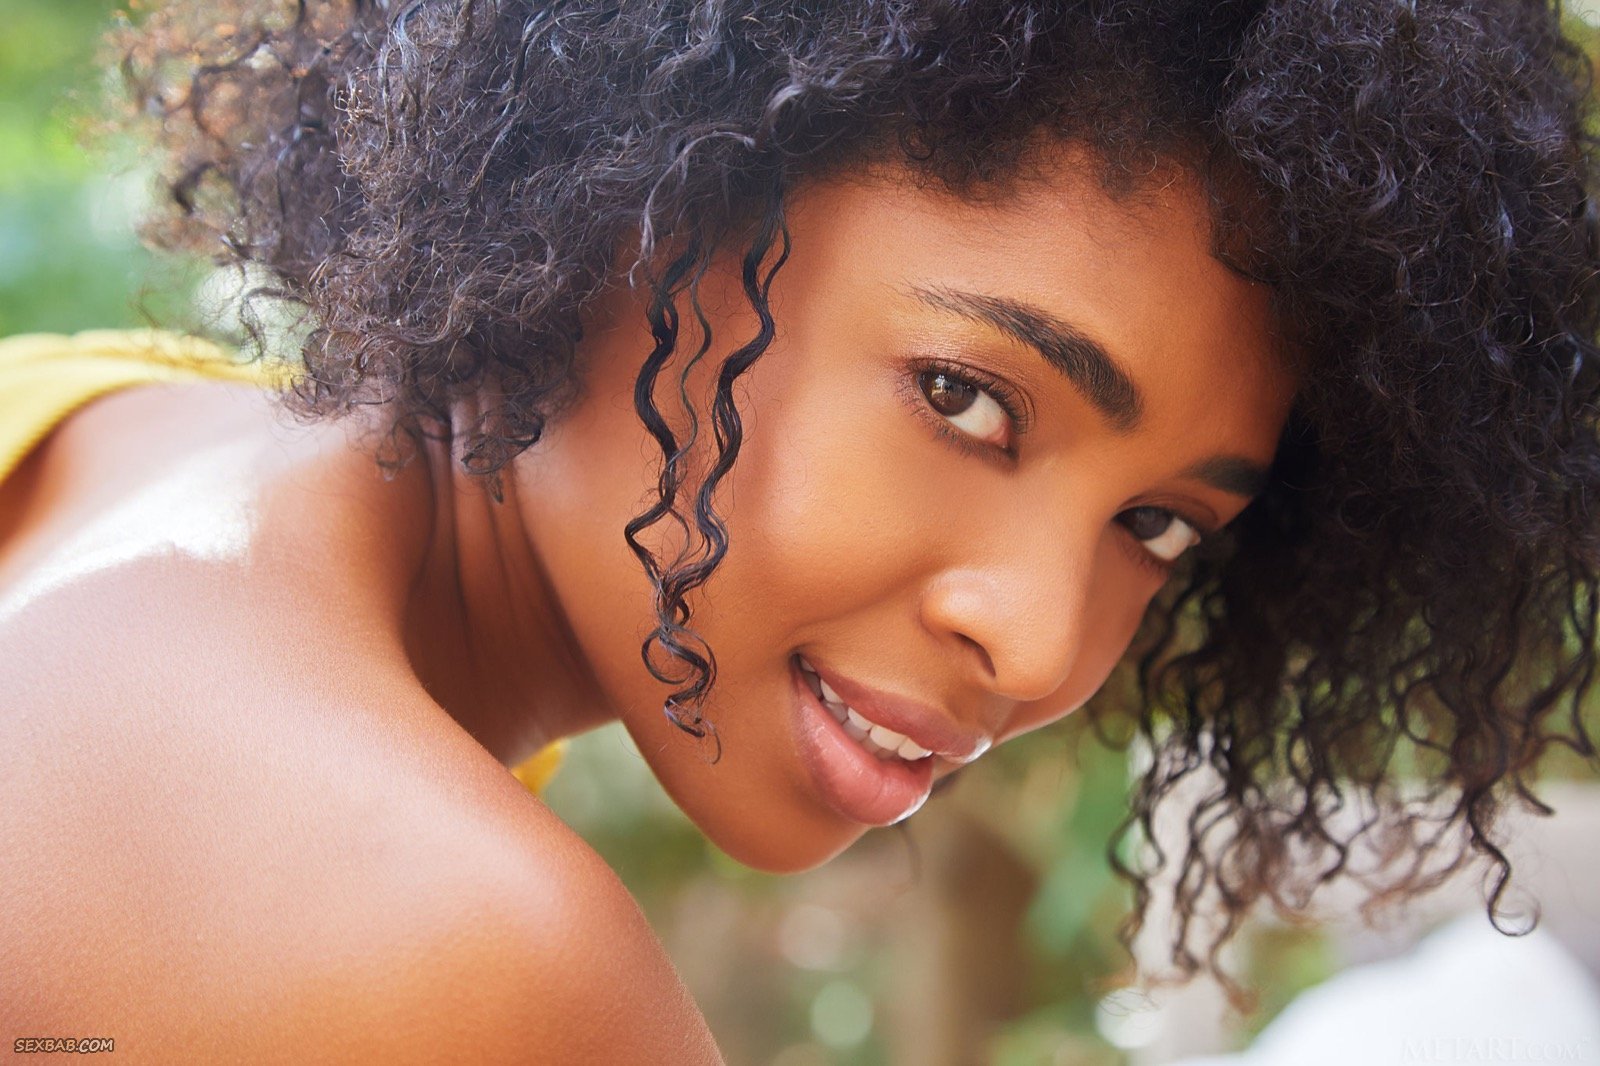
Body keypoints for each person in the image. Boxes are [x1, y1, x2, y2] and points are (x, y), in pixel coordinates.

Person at [3, 0, 1598, 1059]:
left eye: (1159, 524)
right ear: (634, 196)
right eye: (967, 398)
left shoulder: (104, 428)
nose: (1038, 642)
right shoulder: (458, 949)